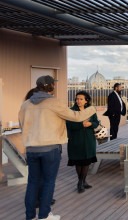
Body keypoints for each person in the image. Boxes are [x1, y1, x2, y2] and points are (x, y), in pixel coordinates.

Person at [19, 75, 96, 220]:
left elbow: (23, 125)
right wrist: (91, 109)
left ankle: (30, 217)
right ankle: (44, 216)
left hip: (31, 149)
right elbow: (76, 116)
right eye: (54, 84)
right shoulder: (54, 103)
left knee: (32, 182)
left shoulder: (26, 104)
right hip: (50, 149)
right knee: (48, 182)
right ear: (50, 87)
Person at [66, 91, 99, 193]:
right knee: (78, 162)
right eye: (77, 99)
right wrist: (81, 125)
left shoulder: (91, 111)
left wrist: (90, 123)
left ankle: (82, 182)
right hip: (76, 140)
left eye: (81, 99)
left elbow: (96, 123)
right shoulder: (71, 111)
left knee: (86, 162)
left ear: (86, 100)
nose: (78, 101)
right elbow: (69, 125)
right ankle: (80, 182)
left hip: (89, 139)